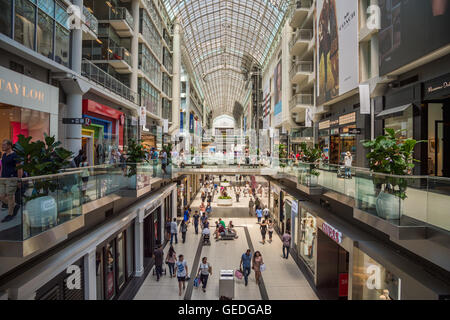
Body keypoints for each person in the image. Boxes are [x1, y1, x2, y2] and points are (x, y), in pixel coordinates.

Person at [0, 140, 22, 223]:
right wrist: (0, 176)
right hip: (3, 178)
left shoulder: (15, 155)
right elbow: (2, 167)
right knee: (1, 196)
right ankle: (15, 206)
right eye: (2, 145)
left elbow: (19, 168)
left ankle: (10, 214)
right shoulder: (4, 155)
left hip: (12, 178)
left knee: (10, 196)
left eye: (4, 145)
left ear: (9, 146)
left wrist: (19, 180)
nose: (2, 146)